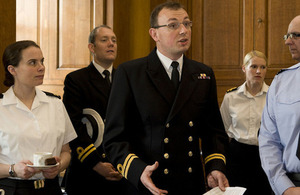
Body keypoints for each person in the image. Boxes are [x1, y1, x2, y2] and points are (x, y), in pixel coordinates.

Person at [103, 2, 229, 195]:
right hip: (148, 184)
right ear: (154, 34)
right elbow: (114, 139)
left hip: (189, 184)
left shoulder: (203, 74)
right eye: (173, 25)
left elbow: (213, 132)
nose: (183, 30)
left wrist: (215, 166)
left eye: (187, 24)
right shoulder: (131, 73)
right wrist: (137, 170)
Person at [63, 25, 134, 195]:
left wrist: (125, 163)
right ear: (92, 48)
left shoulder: (127, 79)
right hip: (88, 172)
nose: (111, 44)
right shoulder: (76, 80)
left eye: (114, 40)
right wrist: (96, 164)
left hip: (122, 169)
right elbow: (73, 126)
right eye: (104, 40)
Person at [0, 40, 77, 195]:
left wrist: (59, 166)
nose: (41, 67)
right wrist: (13, 169)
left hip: (51, 188)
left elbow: (66, 151)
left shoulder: (55, 104)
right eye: (32, 63)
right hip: (13, 190)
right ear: (12, 69)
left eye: (42, 61)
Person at [220, 50, 272, 195]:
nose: (258, 71)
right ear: (244, 68)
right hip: (237, 155)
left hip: (264, 154)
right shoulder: (231, 97)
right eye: (254, 66)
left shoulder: (273, 96)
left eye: (263, 67)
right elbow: (222, 130)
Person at [259, 15, 300, 195]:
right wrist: (285, 188)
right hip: (290, 184)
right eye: (287, 36)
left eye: (295, 35)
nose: (287, 42)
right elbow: (268, 140)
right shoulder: (280, 82)